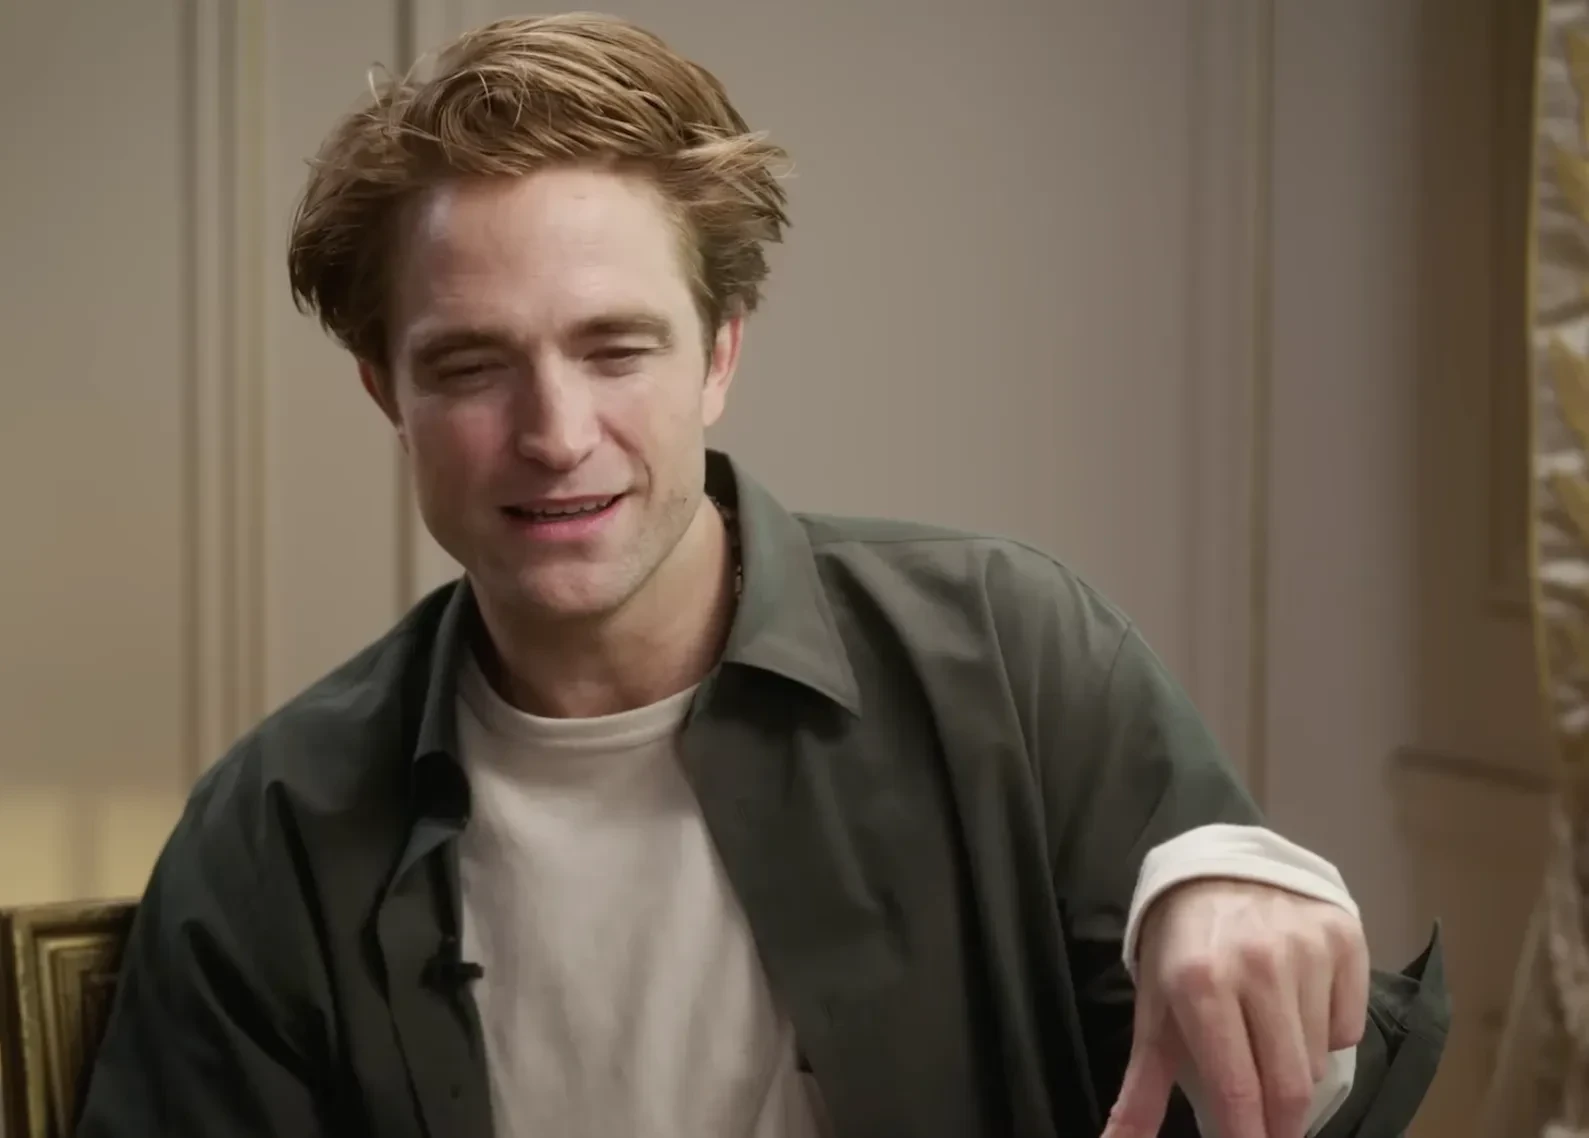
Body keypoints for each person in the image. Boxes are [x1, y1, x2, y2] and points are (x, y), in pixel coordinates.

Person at [76, 13, 1447, 1138]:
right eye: (471, 365)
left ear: (721, 353)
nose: (555, 433)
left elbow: (1268, 1096)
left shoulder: (1011, 652)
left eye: (617, 349)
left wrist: (1250, 905)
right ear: (387, 389)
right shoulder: (268, 834)